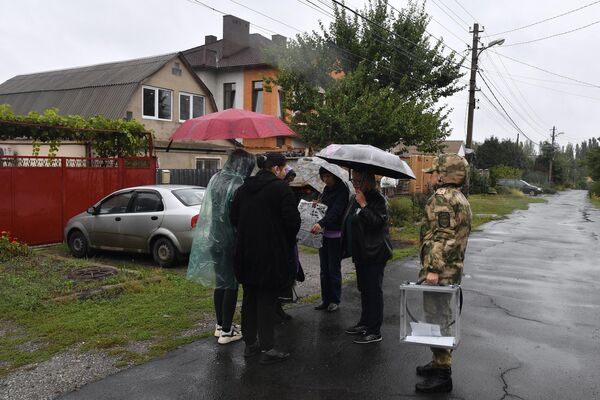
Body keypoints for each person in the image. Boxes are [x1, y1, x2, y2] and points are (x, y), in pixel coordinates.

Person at [230, 153, 301, 365]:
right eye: (284, 169)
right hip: (271, 255)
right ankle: (268, 347)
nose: (284, 172)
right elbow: (293, 223)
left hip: (245, 253)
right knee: (267, 301)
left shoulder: (243, 190)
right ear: (277, 168)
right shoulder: (281, 190)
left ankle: (250, 344)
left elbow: (233, 218)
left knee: (249, 299)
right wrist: (283, 240)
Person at [415, 154, 472, 393]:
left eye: (437, 173)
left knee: (438, 318)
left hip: (442, 270)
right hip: (453, 268)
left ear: (446, 174)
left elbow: (443, 235)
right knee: (441, 316)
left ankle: (442, 374)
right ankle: (438, 360)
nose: (434, 178)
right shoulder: (460, 198)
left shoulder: (442, 198)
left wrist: (433, 270)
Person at [186, 149, 256, 345]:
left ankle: (220, 325)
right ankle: (227, 331)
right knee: (231, 285)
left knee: (221, 283)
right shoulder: (239, 184)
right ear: (244, 165)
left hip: (214, 239)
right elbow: (239, 217)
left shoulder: (216, 179)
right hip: (230, 242)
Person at [342, 170, 392, 344]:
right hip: (361, 252)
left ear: (368, 180)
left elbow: (377, 223)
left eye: (358, 180)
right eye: (353, 180)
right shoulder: (355, 198)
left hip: (375, 252)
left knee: (373, 291)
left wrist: (363, 205)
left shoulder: (378, 200)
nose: (355, 183)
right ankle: (364, 323)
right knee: (364, 290)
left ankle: (374, 330)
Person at [311, 167, 350, 312]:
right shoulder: (326, 190)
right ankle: (325, 299)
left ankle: (334, 300)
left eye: (328, 176)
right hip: (324, 235)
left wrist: (321, 223)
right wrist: (316, 205)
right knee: (323, 270)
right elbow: (324, 209)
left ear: (334, 176)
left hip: (335, 235)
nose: (326, 179)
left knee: (333, 269)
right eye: (323, 177)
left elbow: (335, 212)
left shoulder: (342, 191)